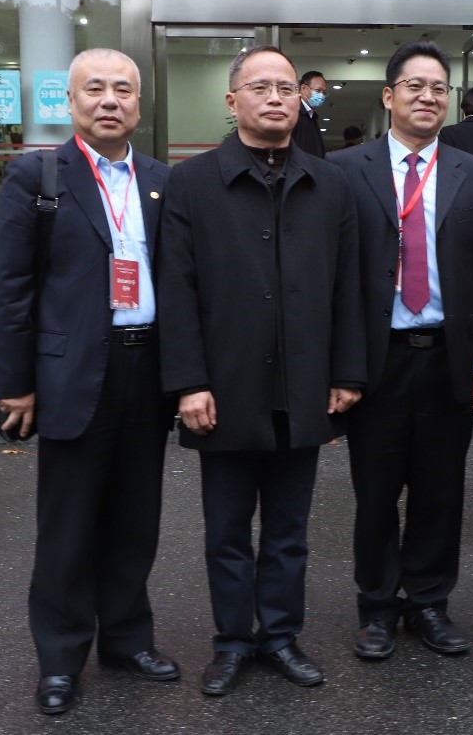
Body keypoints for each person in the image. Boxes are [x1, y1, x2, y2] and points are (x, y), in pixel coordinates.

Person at [157, 45, 366, 696]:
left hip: (303, 387)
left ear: (300, 100)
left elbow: (349, 287)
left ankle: (279, 635)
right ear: (232, 101)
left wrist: (347, 372)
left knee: (288, 531)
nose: (275, 98)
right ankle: (230, 641)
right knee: (225, 531)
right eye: (260, 87)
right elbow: (176, 289)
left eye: (285, 88)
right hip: (223, 389)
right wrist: (188, 382)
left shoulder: (329, 184)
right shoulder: (193, 183)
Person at [0, 48, 178, 716]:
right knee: (67, 527)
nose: (109, 100)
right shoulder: (37, 176)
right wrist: (15, 383)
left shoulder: (160, 180)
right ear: (69, 102)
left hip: (145, 368)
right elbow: (8, 288)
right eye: (94, 89)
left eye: (123, 89)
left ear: (139, 104)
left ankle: (127, 641)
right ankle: (61, 660)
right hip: (70, 373)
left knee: (136, 519)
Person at [329, 40, 473, 660]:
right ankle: (377, 606)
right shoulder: (346, 169)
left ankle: (429, 602)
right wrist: (341, 366)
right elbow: (335, 277)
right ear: (389, 95)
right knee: (375, 492)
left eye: (437, 88)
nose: (427, 97)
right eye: (414, 86)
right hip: (377, 360)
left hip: (447, 357)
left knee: (440, 491)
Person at [291, 70, 329, 158]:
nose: (321, 96)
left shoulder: (312, 116)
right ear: (303, 88)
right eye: (318, 90)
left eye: (324, 92)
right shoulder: (294, 114)